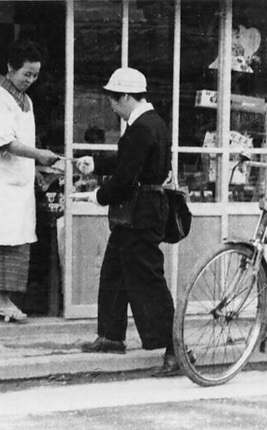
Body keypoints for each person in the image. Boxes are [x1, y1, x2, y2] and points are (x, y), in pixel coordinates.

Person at [76, 67, 190, 376]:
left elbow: (126, 176)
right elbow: (131, 162)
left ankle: (176, 349)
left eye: (114, 100)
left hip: (140, 213)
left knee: (146, 278)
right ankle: (111, 335)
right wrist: (96, 163)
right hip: (143, 211)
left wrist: (98, 196)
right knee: (114, 271)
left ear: (126, 97)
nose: (112, 107)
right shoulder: (152, 123)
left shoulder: (140, 128)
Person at [0, 39, 59, 322]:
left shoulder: (27, 101)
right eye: (27, 74)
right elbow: (1, 140)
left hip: (20, 183)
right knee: (2, 238)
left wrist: (34, 167)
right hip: (2, 184)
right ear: (11, 68)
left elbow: (22, 141)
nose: (31, 80)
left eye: (35, 75)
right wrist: (39, 154)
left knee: (19, 239)